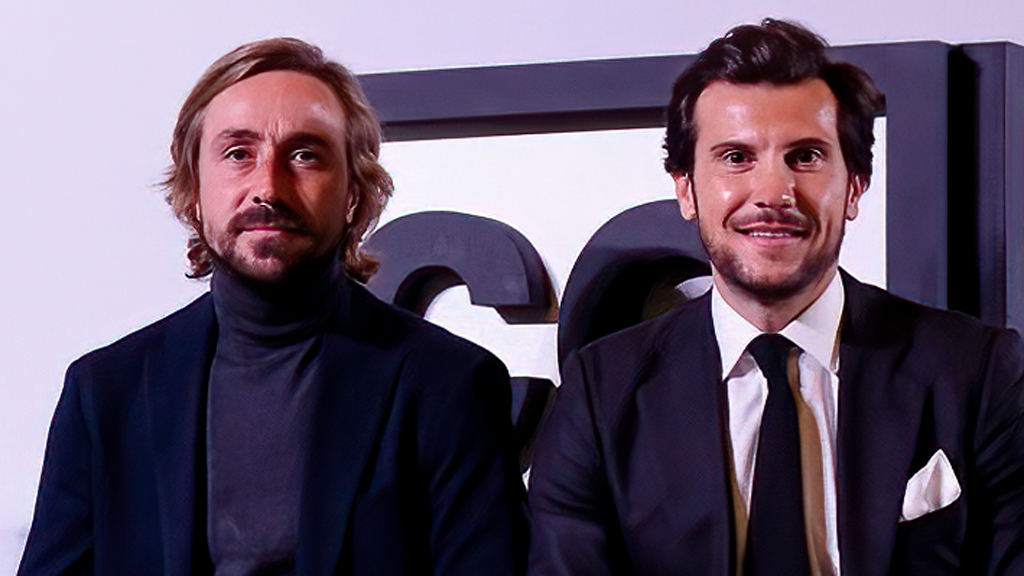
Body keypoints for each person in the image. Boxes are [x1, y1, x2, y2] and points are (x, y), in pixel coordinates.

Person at [527, 19, 1024, 576]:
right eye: (736, 157)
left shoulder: (978, 372)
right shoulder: (600, 391)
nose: (772, 193)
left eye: (806, 156)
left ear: (855, 186)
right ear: (686, 190)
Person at [20, 38, 527, 575]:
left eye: (305, 156)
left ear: (354, 193)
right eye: (238, 153)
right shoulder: (105, 391)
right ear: (194, 188)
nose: (268, 187)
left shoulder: (449, 383)